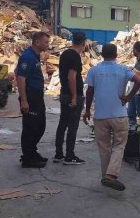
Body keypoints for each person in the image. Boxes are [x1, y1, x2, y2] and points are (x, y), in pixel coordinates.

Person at [83, 44, 140, 191]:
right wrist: (128, 97)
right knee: (119, 145)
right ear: (116, 55)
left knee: (104, 148)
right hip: (119, 115)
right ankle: (111, 175)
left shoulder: (94, 70)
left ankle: (106, 176)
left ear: (102, 55)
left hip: (100, 116)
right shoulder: (123, 69)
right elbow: (139, 81)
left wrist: (87, 110)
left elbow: (89, 91)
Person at [16, 31, 51, 168]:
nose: (48, 45)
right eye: (46, 42)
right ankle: (27, 158)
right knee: (31, 127)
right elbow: (21, 78)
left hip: (37, 96)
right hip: (30, 96)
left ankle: (32, 151)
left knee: (40, 126)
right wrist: (24, 100)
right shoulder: (27, 57)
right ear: (37, 42)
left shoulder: (35, 56)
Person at [54, 31, 87, 165]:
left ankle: (59, 154)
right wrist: (74, 97)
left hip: (64, 93)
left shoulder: (65, 54)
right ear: (83, 43)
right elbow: (71, 77)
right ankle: (69, 156)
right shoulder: (75, 56)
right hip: (73, 95)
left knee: (62, 124)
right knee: (73, 126)